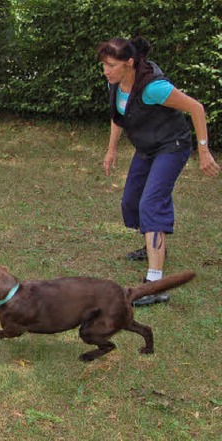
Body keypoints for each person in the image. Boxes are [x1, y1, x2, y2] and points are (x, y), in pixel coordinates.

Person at [97, 36, 220, 306]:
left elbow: (196, 108)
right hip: (147, 147)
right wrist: (111, 149)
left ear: (129, 63)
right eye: (104, 65)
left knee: (151, 203)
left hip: (171, 146)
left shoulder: (154, 88)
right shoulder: (115, 82)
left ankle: (155, 284)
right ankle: (154, 242)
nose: (105, 70)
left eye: (111, 65)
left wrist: (203, 150)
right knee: (131, 202)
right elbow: (118, 115)